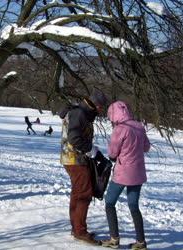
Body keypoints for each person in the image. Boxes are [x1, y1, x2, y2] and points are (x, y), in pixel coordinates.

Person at [59, 89, 108, 245]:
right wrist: (90, 149)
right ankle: (80, 231)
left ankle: (76, 227)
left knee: (78, 192)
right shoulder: (80, 113)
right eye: (102, 107)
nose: (102, 110)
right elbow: (74, 138)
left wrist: (92, 150)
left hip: (74, 158)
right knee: (84, 193)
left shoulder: (82, 112)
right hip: (75, 159)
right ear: (97, 104)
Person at [101, 101, 150, 250]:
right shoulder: (139, 126)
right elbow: (146, 147)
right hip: (138, 173)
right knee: (134, 206)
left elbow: (112, 153)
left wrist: (115, 157)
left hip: (123, 173)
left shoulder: (120, 129)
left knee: (109, 203)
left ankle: (114, 239)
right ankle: (141, 242)